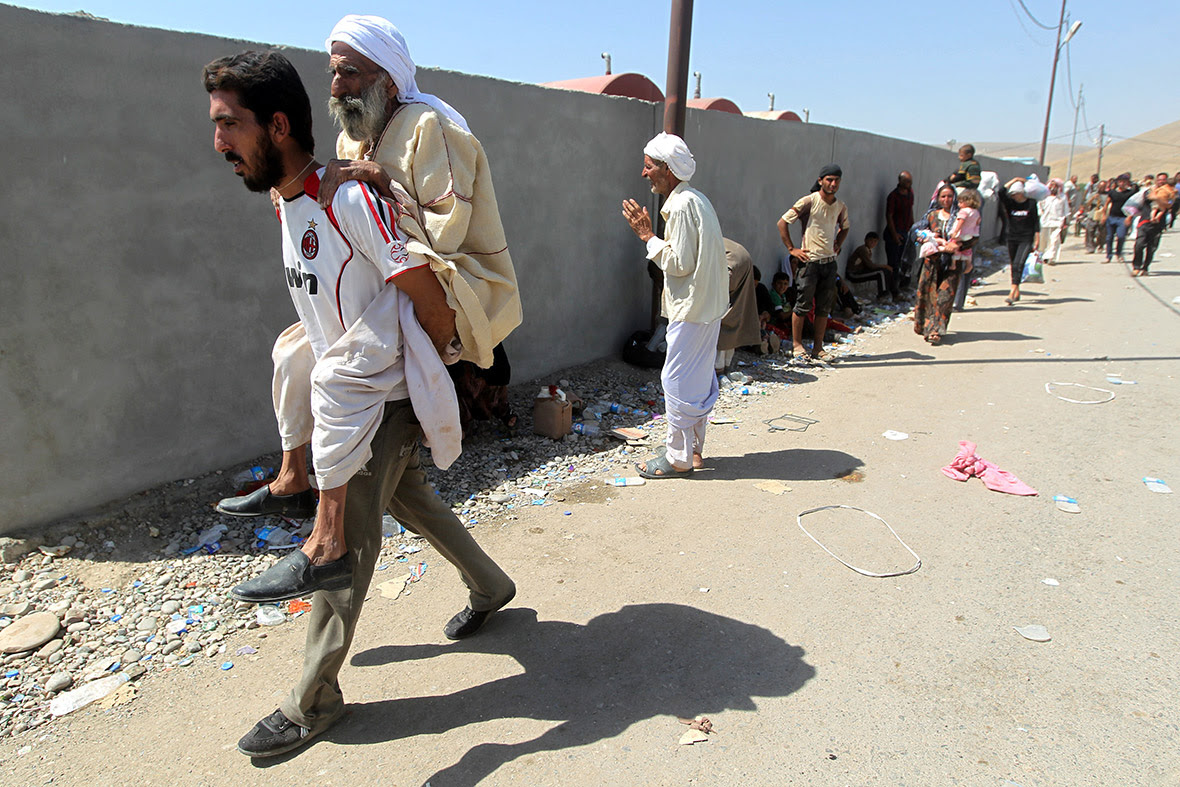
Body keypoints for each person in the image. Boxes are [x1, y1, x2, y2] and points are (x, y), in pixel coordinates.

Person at [204, 51, 516, 759]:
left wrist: (444, 361)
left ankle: (312, 698)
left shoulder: (348, 197)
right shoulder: (292, 198)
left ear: (277, 125)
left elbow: (427, 295)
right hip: (359, 393)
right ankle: (492, 585)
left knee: (349, 544)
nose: (218, 141)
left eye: (229, 124)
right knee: (411, 500)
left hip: (385, 398)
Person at [216, 14, 521, 524]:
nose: (338, 87)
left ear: (388, 76)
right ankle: (293, 478)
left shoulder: (430, 126)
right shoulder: (353, 140)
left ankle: (329, 537)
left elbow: (445, 229)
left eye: (351, 73)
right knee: (294, 351)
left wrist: (381, 181)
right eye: (334, 74)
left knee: (335, 376)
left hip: (449, 281)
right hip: (388, 283)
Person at [622, 133, 727, 478]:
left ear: (666, 169)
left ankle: (678, 459)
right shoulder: (695, 199)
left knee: (677, 380)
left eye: (649, 166)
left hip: (692, 309)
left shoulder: (681, 206)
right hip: (707, 308)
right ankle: (690, 451)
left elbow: (679, 264)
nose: (644, 173)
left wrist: (647, 236)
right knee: (695, 378)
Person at [778, 164, 850, 361]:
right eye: (829, 180)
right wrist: (792, 249)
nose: (833, 184)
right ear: (821, 181)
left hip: (829, 262)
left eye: (836, 180)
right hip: (810, 262)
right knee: (802, 305)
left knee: (824, 308)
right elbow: (783, 222)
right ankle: (797, 345)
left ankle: (818, 348)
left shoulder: (840, 206)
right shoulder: (809, 202)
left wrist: (838, 244)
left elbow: (845, 227)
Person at [912, 186, 975, 344]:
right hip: (932, 262)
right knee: (930, 295)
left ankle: (936, 330)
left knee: (944, 297)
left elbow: (973, 237)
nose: (946, 200)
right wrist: (928, 239)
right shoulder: (931, 216)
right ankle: (926, 326)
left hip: (953, 262)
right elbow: (917, 233)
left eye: (949, 196)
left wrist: (958, 247)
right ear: (938, 198)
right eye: (943, 196)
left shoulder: (962, 216)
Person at [715, 238, 760, 373]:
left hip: (730, 261)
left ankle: (717, 368)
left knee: (721, 316)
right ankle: (726, 365)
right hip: (742, 258)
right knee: (734, 313)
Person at [997, 178, 1041, 305]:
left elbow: (1036, 222)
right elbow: (1000, 192)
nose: (1014, 196)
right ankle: (1017, 291)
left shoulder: (1031, 203)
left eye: (1015, 194)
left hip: (1026, 238)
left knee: (1019, 263)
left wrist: (1037, 239)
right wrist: (1014, 180)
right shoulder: (1010, 203)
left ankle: (1012, 291)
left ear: (1021, 193)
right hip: (1012, 237)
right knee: (1014, 264)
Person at [1131, 173, 1174, 276]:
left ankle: (1145, 267)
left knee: (1151, 247)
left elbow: (1169, 204)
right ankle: (1136, 266)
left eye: (1163, 180)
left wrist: (1158, 199)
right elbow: (1149, 197)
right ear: (1156, 180)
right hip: (1144, 221)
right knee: (1139, 244)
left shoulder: (1170, 192)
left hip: (1158, 224)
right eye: (1159, 180)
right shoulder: (1148, 190)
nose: (1161, 182)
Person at [844, 232, 898, 300]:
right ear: (865, 240)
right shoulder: (863, 249)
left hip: (861, 271)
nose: (873, 243)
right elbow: (871, 266)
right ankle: (882, 295)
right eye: (871, 241)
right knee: (881, 272)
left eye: (875, 241)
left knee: (886, 271)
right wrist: (885, 266)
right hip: (853, 274)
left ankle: (894, 293)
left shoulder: (868, 251)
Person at [883, 171, 915, 288]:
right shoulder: (893, 196)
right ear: (900, 181)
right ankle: (891, 289)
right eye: (907, 181)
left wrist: (912, 227)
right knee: (893, 264)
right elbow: (889, 216)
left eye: (910, 181)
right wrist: (894, 235)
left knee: (905, 262)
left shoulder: (910, 194)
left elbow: (910, 210)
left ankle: (901, 287)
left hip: (905, 231)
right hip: (894, 233)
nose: (909, 183)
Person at [1103, 173, 1138, 263]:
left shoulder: (1130, 193)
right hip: (1112, 217)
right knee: (1109, 237)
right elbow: (1107, 204)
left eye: (1124, 182)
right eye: (1120, 181)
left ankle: (1119, 253)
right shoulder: (1112, 192)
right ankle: (1108, 255)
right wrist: (1104, 215)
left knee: (1121, 236)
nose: (1122, 183)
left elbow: (1133, 206)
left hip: (1123, 218)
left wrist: (1130, 217)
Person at [1040, 179, 1069, 265]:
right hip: (1045, 222)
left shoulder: (1062, 198)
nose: (1052, 187)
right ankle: (1044, 256)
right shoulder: (1044, 197)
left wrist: (1065, 222)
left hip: (1057, 222)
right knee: (1044, 240)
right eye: (1051, 185)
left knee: (1054, 240)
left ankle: (1051, 258)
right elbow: (1040, 207)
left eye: (1055, 185)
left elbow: (1066, 211)